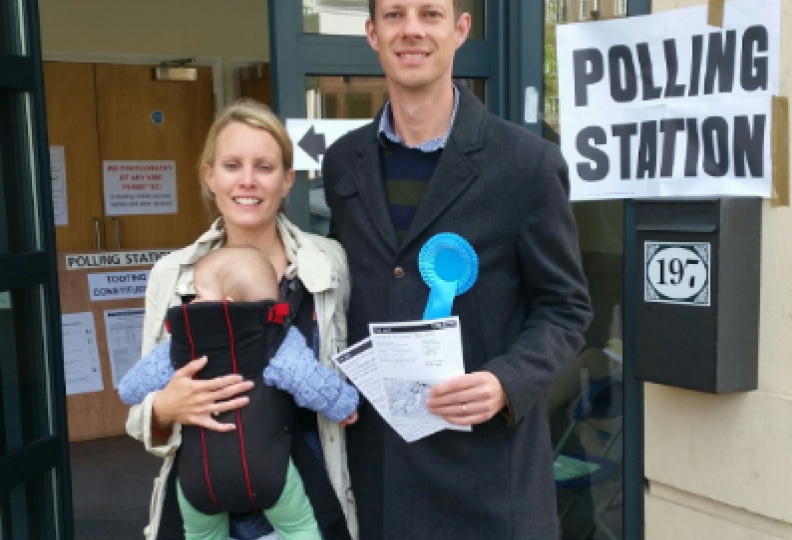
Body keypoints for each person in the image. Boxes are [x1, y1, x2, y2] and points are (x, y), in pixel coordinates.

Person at [322, 1, 593, 539]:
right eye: (395, 15)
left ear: (460, 29)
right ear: (373, 33)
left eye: (430, 13)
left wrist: (505, 381)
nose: (412, 30)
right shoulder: (343, 162)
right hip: (380, 473)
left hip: (487, 480)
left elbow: (565, 308)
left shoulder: (526, 164)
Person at [127, 99, 357, 540]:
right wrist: (165, 408)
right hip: (203, 505)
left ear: (287, 180)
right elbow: (141, 406)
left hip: (304, 504)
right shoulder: (171, 275)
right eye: (232, 165)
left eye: (265, 166)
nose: (248, 180)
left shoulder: (329, 263)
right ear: (209, 175)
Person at [119, 246, 358, 540]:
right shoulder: (275, 338)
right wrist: (344, 405)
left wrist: (166, 397)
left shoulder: (182, 345)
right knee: (302, 529)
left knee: (201, 534)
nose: (192, 301)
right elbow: (310, 380)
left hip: (199, 478)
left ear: (226, 303)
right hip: (270, 472)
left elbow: (131, 389)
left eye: (199, 295)